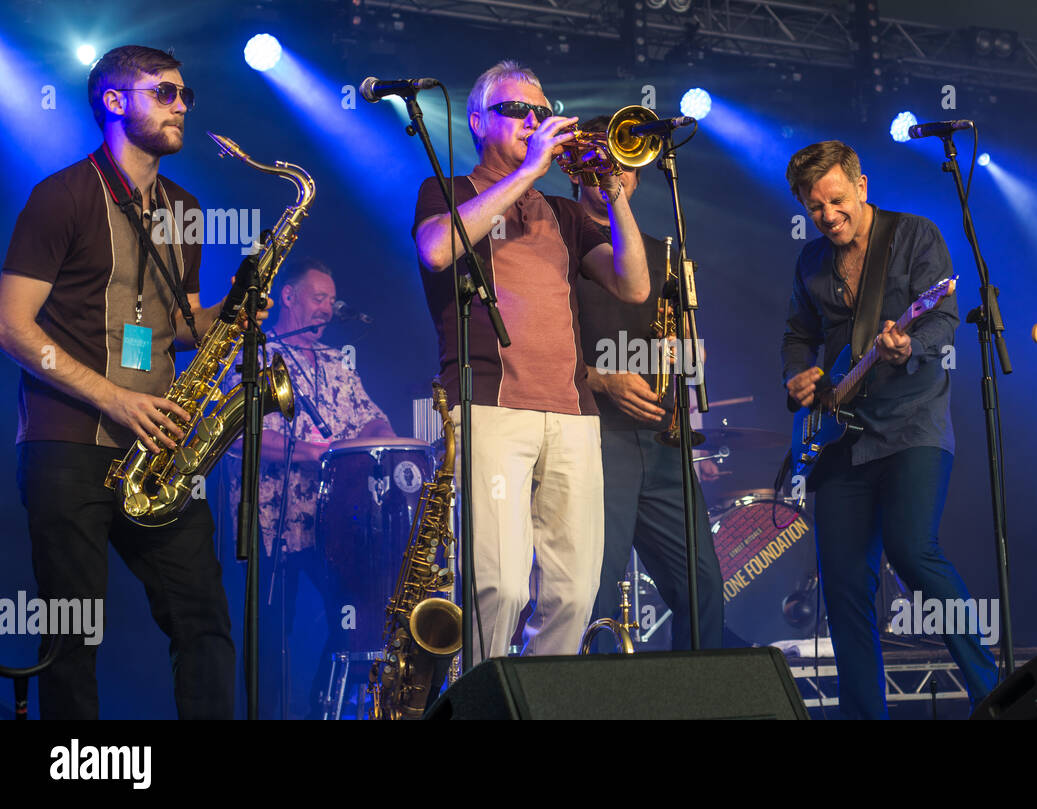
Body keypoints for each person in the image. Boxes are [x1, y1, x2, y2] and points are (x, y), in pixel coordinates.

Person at [0, 45, 247, 718]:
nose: (181, 106)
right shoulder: (61, 196)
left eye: (185, 95)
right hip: (68, 445)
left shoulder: (185, 206)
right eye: (165, 92)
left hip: (160, 452)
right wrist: (114, 397)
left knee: (204, 619)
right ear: (115, 102)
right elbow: (12, 326)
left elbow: (181, 324)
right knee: (73, 637)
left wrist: (237, 305)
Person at [411, 62, 649, 662]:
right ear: (476, 120)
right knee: (500, 587)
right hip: (492, 409)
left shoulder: (566, 216)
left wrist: (613, 191)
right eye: (516, 110)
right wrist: (530, 171)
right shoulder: (450, 190)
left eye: (540, 112)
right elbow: (438, 249)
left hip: (572, 414)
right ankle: (486, 699)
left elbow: (635, 286)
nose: (532, 121)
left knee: (574, 592)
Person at [781, 140, 997, 719]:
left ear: (863, 187)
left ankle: (994, 698)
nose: (828, 216)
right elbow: (798, 334)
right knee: (846, 585)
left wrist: (908, 346)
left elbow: (945, 320)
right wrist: (798, 373)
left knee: (911, 549)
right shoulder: (810, 262)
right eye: (814, 207)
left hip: (912, 426)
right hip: (840, 438)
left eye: (836, 200)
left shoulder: (915, 236)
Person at [569, 116, 724, 651]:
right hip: (594, 435)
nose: (613, 174)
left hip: (662, 441)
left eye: (623, 165)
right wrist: (602, 380)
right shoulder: (560, 246)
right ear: (576, 170)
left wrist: (687, 362)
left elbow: (690, 352)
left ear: (636, 176)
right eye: (600, 163)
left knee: (704, 588)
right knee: (596, 595)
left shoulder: (665, 254)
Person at [222, 258, 394, 717]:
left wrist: (379, 439)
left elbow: (373, 418)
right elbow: (235, 436)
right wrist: (317, 453)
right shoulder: (253, 354)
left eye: (331, 301)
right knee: (271, 637)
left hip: (336, 524)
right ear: (289, 296)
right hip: (272, 525)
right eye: (318, 298)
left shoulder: (338, 362)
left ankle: (325, 708)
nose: (326, 309)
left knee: (357, 617)